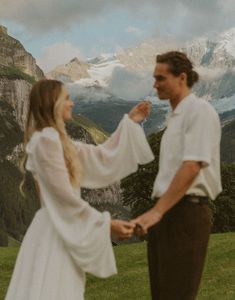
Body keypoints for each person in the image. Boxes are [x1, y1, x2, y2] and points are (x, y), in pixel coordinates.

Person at [6, 79, 154, 300]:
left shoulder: (61, 143)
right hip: (54, 233)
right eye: (67, 98)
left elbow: (102, 156)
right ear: (53, 103)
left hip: (63, 229)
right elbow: (63, 198)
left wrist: (130, 122)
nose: (72, 103)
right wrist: (107, 224)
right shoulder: (46, 143)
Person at [133, 51, 222, 300]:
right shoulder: (175, 118)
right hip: (168, 213)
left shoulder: (199, 111)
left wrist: (156, 212)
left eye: (161, 78)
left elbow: (192, 166)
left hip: (187, 214)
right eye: (154, 78)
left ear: (182, 77)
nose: (155, 84)